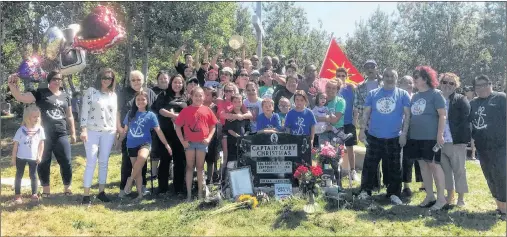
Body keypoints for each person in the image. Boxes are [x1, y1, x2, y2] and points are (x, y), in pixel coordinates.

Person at [8, 71, 76, 197]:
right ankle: (46, 190)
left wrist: (73, 133)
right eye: (55, 78)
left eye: (60, 79)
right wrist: (13, 86)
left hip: (61, 133)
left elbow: (69, 116)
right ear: (49, 80)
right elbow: (21, 97)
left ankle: (67, 188)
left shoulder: (66, 96)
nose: (57, 81)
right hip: (44, 135)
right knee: (44, 161)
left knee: (66, 161)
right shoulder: (41, 93)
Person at [358, 68, 411, 205]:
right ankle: (365, 191)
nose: (389, 78)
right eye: (386, 76)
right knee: (370, 165)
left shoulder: (403, 94)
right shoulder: (373, 93)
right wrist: (362, 130)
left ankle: (394, 193)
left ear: (396, 78)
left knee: (395, 167)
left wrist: (404, 134)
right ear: (383, 78)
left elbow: (407, 115)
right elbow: (366, 113)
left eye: (392, 76)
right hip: (374, 136)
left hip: (395, 137)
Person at [118, 91, 172, 201]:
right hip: (131, 144)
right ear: (135, 101)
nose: (141, 101)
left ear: (147, 101)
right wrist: (119, 140)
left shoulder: (151, 115)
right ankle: (139, 195)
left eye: (143, 99)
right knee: (137, 171)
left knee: (142, 158)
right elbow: (125, 131)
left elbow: (159, 131)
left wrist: (166, 144)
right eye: (138, 99)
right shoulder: (130, 114)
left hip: (145, 143)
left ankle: (129, 181)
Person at [406, 66, 447, 210]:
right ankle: (430, 196)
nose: (414, 80)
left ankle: (441, 199)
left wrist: (440, 134)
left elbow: (442, 115)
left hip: (431, 138)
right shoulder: (415, 97)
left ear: (425, 79)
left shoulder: (436, 94)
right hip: (415, 137)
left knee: (434, 166)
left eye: (416, 77)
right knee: (423, 166)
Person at [469, 75, 506, 218]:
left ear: (491, 84)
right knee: (490, 177)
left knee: (502, 176)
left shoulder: (501, 98)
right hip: (482, 147)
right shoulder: (473, 104)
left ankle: (505, 210)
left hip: (501, 146)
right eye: (478, 86)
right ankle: (500, 206)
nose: (482, 88)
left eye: (484, 84)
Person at [116, 70, 157, 198]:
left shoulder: (149, 92)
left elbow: (154, 110)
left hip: (144, 134)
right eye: (133, 80)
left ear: (143, 80)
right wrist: (119, 128)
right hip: (127, 132)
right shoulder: (123, 93)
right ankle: (124, 188)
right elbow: (117, 112)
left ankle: (141, 187)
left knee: (142, 160)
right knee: (127, 161)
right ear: (129, 82)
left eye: (138, 79)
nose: (136, 82)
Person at [80, 68, 118, 205]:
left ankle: (101, 192)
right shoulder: (91, 92)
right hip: (91, 131)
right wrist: (83, 129)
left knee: (104, 162)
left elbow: (114, 115)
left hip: (108, 131)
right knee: (91, 161)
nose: (106, 80)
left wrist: (115, 132)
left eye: (109, 78)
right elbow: (84, 111)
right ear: (99, 78)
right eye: (104, 77)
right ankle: (86, 195)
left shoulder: (113, 95)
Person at [175, 87, 218, 201]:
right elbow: (178, 126)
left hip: (202, 143)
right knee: (189, 167)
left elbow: (213, 126)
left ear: (204, 97)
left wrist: (208, 138)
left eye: (200, 96)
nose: (198, 98)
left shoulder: (207, 110)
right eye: (196, 96)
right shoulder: (186, 110)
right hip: (189, 143)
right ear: (191, 97)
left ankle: (200, 193)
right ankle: (189, 194)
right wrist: (182, 141)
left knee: (200, 167)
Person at [438, 73, 471, 207]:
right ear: (440, 83)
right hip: (440, 142)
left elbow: (467, 120)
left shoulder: (461, 99)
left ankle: (461, 199)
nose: (448, 85)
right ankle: (449, 196)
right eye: (445, 82)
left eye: (451, 83)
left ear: (456, 86)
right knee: (445, 171)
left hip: (456, 142)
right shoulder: (436, 98)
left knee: (459, 170)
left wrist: (464, 140)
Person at [154, 74, 188, 195]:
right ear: (171, 83)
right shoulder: (163, 95)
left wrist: (182, 118)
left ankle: (179, 187)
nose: (177, 85)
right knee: (165, 159)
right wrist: (174, 116)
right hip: (166, 133)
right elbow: (160, 110)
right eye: (175, 82)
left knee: (180, 160)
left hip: (181, 134)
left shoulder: (186, 97)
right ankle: (162, 188)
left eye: (180, 83)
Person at [355, 59, 384, 190]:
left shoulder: (385, 83)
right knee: (371, 155)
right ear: (364, 70)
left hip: (385, 124)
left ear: (377, 68)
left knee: (386, 156)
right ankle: (372, 184)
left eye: (373, 66)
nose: (370, 69)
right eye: (367, 67)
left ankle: (386, 183)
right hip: (368, 125)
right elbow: (357, 105)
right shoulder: (360, 86)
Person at [11, 104, 45, 204]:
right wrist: (13, 158)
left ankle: (34, 193)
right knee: (19, 175)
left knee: (33, 175)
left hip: (33, 157)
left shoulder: (40, 129)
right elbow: (15, 146)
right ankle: (17, 195)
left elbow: (41, 144)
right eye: (34, 116)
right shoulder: (20, 130)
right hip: (20, 157)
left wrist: (40, 155)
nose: (37, 118)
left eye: (38, 116)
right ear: (27, 118)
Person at [398, 75, 423, 195]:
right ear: (400, 84)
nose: (409, 85)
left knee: (420, 158)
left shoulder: (417, 97)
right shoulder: (398, 97)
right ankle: (406, 185)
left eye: (411, 83)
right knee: (406, 159)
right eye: (406, 82)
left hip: (417, 130)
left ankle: (423, 184)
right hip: (403, 131)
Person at [337, 68, 359, 181]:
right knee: (337, 148)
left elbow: (356, 105)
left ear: (346, 76)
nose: (340, 78)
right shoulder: (333, 88)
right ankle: (337, 170)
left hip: (349, 122)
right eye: (338, 75)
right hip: (337, 123)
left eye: (342, 75)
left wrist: (355, 119)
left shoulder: (351, 88)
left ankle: (353, 171)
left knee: (350, 148)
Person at [148, 71, 170, 182]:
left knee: (169, 149)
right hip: (156, 123)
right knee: (155, 149)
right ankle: (153, 173)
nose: (163, 80)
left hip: (170, 125)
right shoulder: (152, 91)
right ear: (157, 80)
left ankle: (169, 172)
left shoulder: (172, 91)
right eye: (161, 78)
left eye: (165, 78)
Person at [317, 79, 352, 145]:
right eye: (328, 87)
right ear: (325, 88)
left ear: (337, 90)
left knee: (336, 154)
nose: (330, 90)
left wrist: (319, 118)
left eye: (333, 88)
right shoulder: (320, 100)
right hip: (323, 132)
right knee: (323, 153)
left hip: (337, 132)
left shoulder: (340, 101)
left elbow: (334, 120)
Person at [224, 94, 250, 168]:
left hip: (243, 142)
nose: (237, 104)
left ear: (242, 102)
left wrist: (244, 136)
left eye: (239, 101)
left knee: (243, 160)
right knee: (232, 162)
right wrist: (238, 137)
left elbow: (248, 129)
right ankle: (228, 178)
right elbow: (229, 130)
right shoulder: (230, 115)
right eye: (235, 102)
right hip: (232, 142)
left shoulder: (245, 115)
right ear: (232, 103)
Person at [203, 87, 220, 184]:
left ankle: (209, 179)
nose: (205, 96)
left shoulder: (216, 107)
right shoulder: (198, 106)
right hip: (200, 135)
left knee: (211, 159)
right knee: (200, 159)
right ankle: (200, 179)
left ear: (213, 96)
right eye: (204, 94)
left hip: (212, 136)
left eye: (208, 94)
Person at [463, 85, 477, 160]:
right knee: (465, 137)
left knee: (473, 138)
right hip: (465, 122)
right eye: (466, 91)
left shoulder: (476, 100)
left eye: (468, 91)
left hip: (474, 121)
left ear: (472, 92)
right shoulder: (463, 99)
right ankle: (464, 155)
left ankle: (473, 155)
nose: (466, 92)